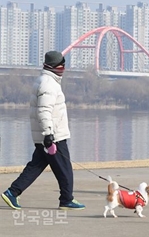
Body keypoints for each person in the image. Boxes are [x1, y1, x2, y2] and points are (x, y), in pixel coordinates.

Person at [1, 51, 86, 210]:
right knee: (65, 168)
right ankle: (66, 199)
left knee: (36, 166)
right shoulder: (49, 84)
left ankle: (12, 192)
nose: (64, 68)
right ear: (57, 66)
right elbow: (43, 111)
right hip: (53, 136)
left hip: (45, 135)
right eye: (63, 65)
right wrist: (49, 134)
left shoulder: (45, 80)